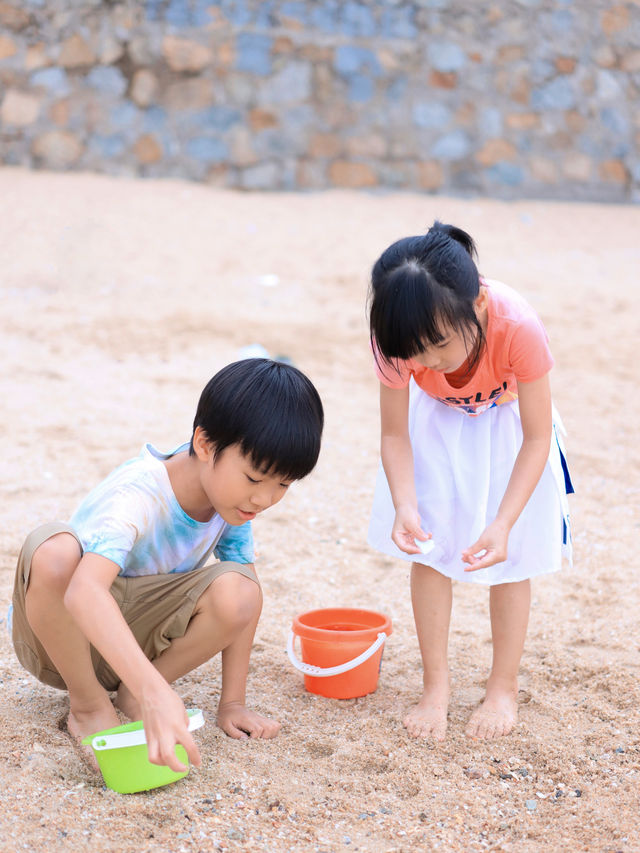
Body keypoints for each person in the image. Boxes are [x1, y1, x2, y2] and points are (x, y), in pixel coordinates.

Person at [11, 358, 324, 771]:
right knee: (54, 552)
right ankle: (88, 706)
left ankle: (131, 694)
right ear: (205, 444)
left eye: (282, 485)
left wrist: (232, 703)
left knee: (242, 588)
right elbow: (83, 592)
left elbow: (246, 599)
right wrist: (156, 692)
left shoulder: (228, 503)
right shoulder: (140, 492)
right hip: (63, 644)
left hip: (137, 647)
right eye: (254, 479)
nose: (265, 499)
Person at [367, 222, 573, 741]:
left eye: (436, 344)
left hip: (509, 430)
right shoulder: (394, 334)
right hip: (435, 424)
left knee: (511, 558)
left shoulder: (517, 325)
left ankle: (502, 686)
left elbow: (536, 437)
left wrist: (504, 522)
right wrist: (404, 503)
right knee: (429, 550)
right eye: (415, 353)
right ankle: (434, 686)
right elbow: (394, 434)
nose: (427, 361)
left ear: (478, 303)